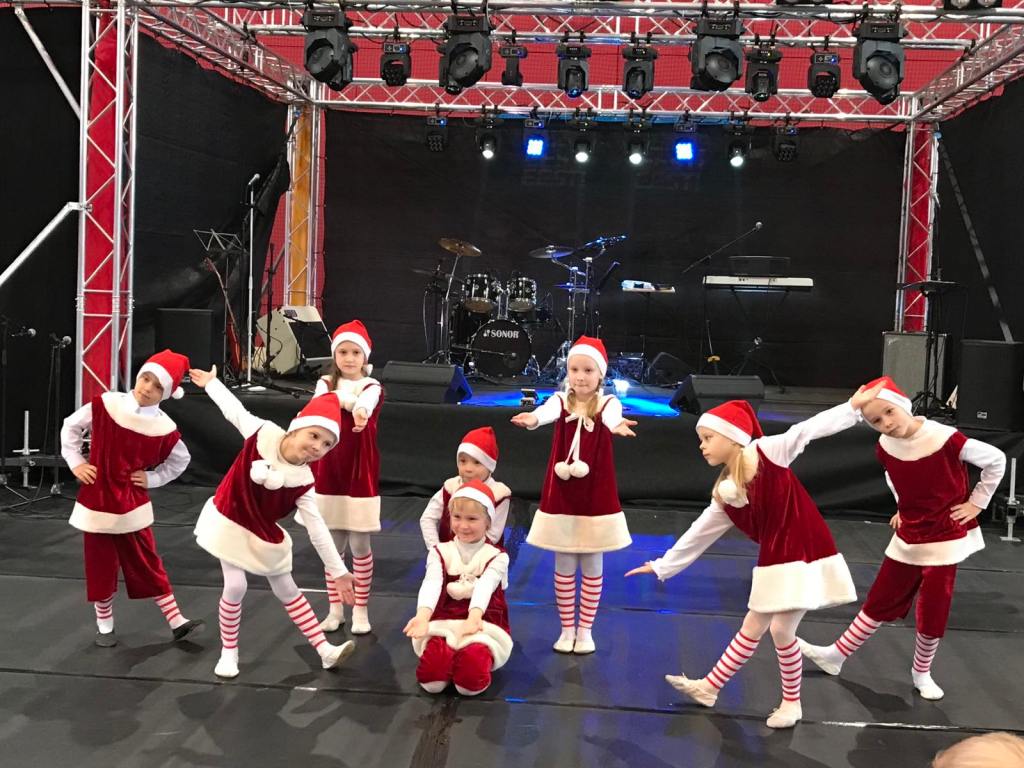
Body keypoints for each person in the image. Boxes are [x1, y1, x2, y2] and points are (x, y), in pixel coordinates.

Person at [626, 387, 882, 728]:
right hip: (777, 558)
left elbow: (806, 430)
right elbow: (700, 532)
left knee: (780, 629)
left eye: (708, 438)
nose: (702, 446)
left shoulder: (767, 452)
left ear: (733, 438)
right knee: (754, 626)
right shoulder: (726, 492)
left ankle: (791, 703)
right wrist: (663, 565)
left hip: (804, 553)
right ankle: (710, 687)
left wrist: (851, 407)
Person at [800, 376, 1006, 701]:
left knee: (933, 608)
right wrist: (902, 506)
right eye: (875, 421)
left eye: (889, 413)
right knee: (880, 598)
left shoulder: (945, 438)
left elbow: (996, 459)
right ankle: (837, 654)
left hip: (943, 536)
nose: (886, 423)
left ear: (903, 406)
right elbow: (894, 477)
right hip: (909, 534)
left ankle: (921, 671)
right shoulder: (885, 447)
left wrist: (976, 503)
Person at [189, 365, 356, 679]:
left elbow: (318, 530)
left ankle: (324, 650)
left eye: (326, 445)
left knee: (288, 588)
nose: (317, 447)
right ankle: (229, 651)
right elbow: (233, 411)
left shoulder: (303, 482)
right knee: (235, 585)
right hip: (230, 518)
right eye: (314, 436)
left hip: (261, 530)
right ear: (295, 429)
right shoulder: (262, 433)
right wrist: (212, 384)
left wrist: (338, 571)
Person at [61, 349, 203, 647]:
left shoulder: (164, 429)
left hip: (131, 504)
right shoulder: (107, 404)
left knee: (147, 561)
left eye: (157, 386)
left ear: (166, 393)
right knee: (100, 565)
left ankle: (176, 620)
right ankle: (104, 625)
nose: (147, 388)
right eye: (145, 379)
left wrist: (153, 478)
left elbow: (180, 460)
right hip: (98, 501)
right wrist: (76, 462)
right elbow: (71, 426)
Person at [511, 336, 636, 655]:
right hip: (564, 493)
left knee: (592, 561)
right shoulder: (560, 400)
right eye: (574, 369)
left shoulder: (608, 404)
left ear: (600, 374)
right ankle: (567, 629)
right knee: (564, 561)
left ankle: (586, 630)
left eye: (588, 370)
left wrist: (617, 425)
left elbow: (612, 417)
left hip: (595, 494)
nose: (580, 377)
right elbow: (546, 411)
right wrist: (532, 419)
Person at [302, 320, 383, 636]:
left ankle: (360, 608)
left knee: (360, 543)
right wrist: (347, 402)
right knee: (333, 545)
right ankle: (335, 609)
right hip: (330, 469)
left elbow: (366, 403)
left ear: (365, 357)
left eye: (355, 353)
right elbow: (321, 404)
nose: (349, 358)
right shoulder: (324, 382)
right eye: (343, 352)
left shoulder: (371, 386)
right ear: (334, 355)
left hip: (359, 472)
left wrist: (358, 409)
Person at [404, 480, 512, 696]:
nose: (463, 526)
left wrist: (474, 617)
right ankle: (448, 658)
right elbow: (432, 582)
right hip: (444, 620)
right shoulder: (439, 552)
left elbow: (485, 586)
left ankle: (470, 658)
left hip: (482, 622)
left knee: (469, 684)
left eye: (472, 519)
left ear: (488, 522)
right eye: (457, 517)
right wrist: (423, 616)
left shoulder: (497, 556)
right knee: (432, 681)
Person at [420, 426, 511, 548]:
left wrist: (466, 555)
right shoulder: (450, 487)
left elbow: (493, 535)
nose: (468, 469)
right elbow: (428, 518)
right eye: (463, 461)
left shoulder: (499, 494)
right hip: (448, 556)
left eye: (477, 462)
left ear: (489, 466)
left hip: (484, 555)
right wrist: (436, 549)